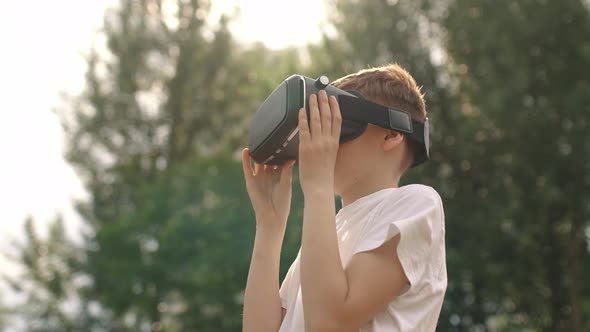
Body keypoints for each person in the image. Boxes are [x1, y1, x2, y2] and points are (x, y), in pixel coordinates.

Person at [241, 64, 446, 332]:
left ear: (391, 133)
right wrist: (269, 227)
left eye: (337, 126)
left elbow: (328, 323)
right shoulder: (329, 234)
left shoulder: (416, 204)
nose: (322, 139)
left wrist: (318, 187)